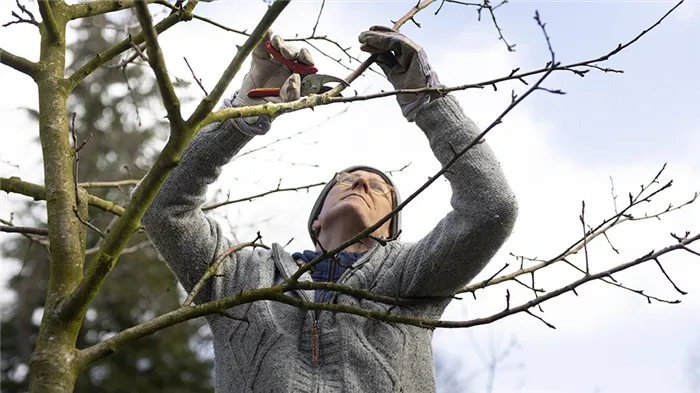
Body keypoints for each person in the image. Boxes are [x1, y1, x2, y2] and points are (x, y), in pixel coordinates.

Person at [142, 26, 518, 393]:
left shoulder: (412, 276)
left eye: (379, 188)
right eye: (346, 179)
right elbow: (163, 210)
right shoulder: (243, 276)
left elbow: (491, 207)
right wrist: (242, 117)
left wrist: (428, 102)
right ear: (316, 220)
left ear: (390, 230)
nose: (360, 183)